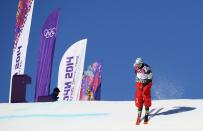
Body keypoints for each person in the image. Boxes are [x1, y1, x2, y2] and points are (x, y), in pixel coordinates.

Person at [133, 57, 153, 125]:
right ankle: (139, 115)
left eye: (139, 64)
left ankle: (146, 114)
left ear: (141, 63)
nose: (137, 65)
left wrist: (144, 84)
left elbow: (150, 79)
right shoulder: (135, 66)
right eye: (136, 64)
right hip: (139, 83)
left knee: (146, 97)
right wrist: (138, 79)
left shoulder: (147, 68)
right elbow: (135, 72)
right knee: (139, 98)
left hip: (146, 83)